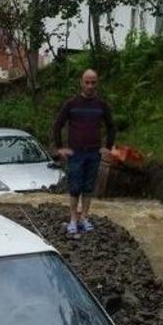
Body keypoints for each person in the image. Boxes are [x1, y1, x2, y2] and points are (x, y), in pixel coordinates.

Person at [53, 69, 116, 237]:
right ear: (81, 82)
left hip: (94, 152)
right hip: (76, 153)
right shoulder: (71, 104)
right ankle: (73, 219)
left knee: (88, 187)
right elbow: (57, 125)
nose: (90, 86)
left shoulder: (101, 105)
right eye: (87, 82)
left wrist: (108, 148)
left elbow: (111, 126)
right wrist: (60, 148)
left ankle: (84, 218)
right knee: (75, 187)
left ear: (97, 83)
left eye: (93, 82)